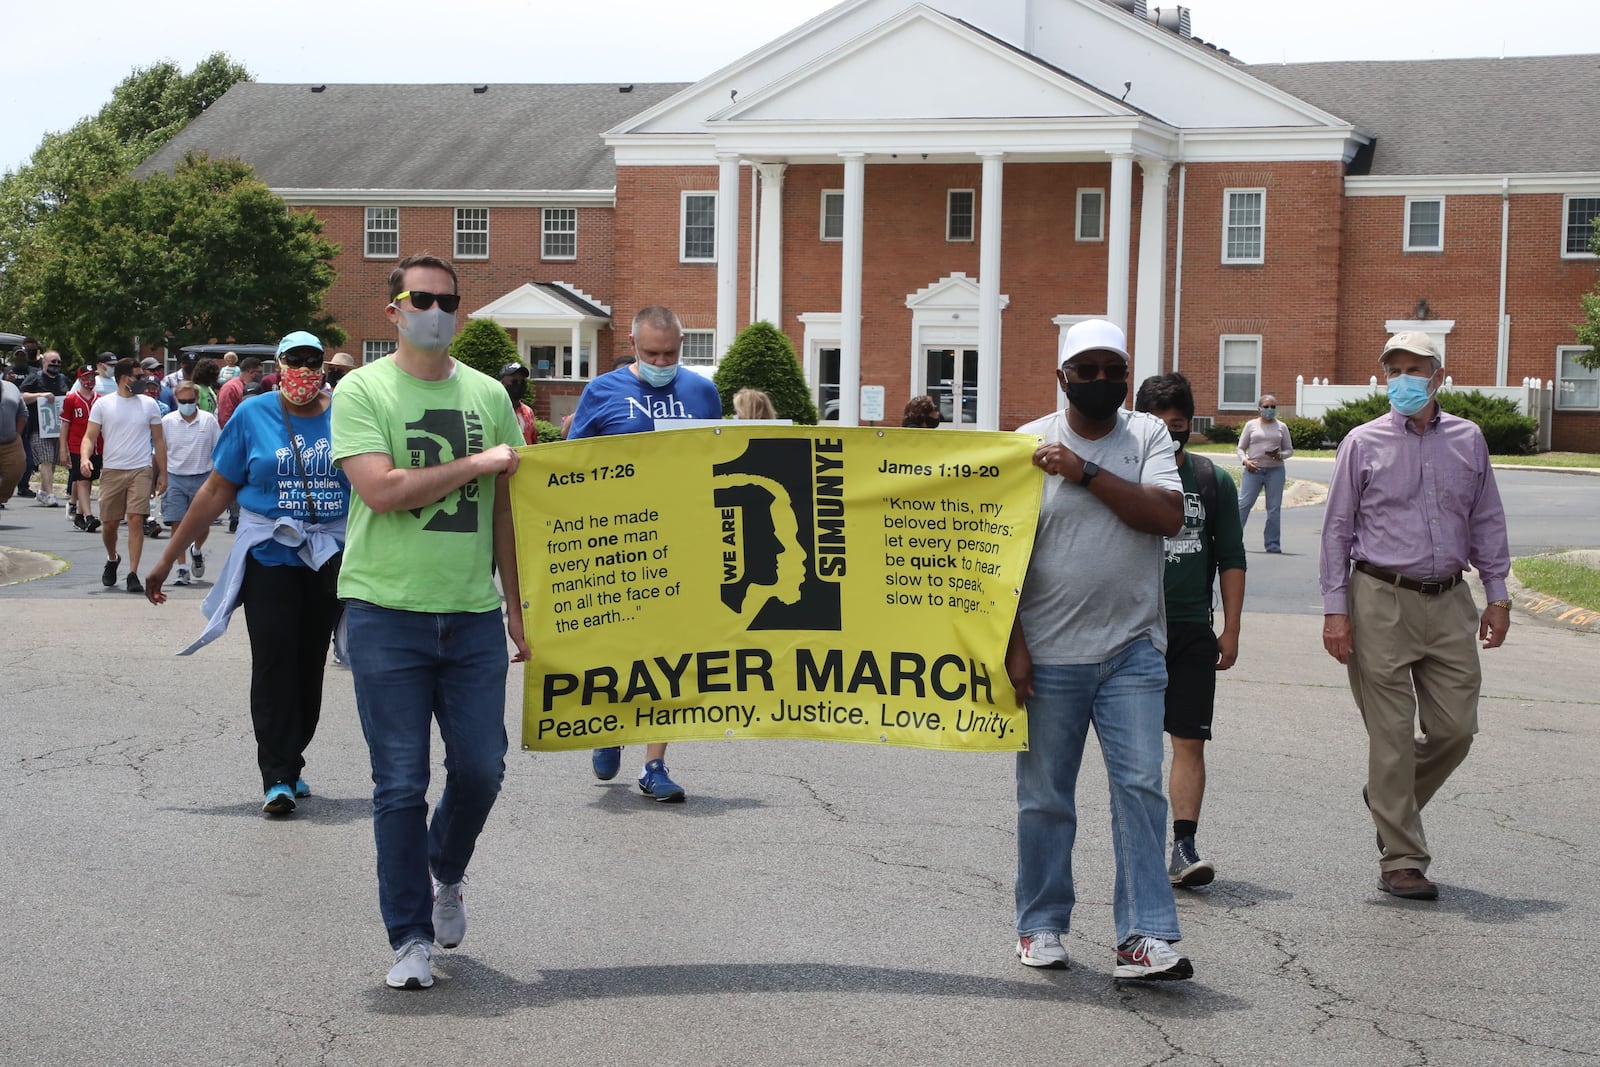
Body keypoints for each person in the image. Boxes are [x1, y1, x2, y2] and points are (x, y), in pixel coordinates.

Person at [331, 253, 527, 991]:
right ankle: (409, 936)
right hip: (386, 613)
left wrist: (516, 604)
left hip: (472, 616)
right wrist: (478, 463)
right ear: (394, 310)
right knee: (400, 782)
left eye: (448, 300)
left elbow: (508, 512)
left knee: (482, 767)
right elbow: (381, 491)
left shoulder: (489, 396)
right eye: (422, 299)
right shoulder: (362, 389)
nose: (436, 311)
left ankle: (447, 864)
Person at [1007, 318, 1191, 980]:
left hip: (1133, 649)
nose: (1100, 381)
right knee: (1046, 797)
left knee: (1140, 787)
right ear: (1062, 378)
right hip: (1050, 654)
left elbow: (1165, 516)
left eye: (1112, 368)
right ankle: (1042, 923)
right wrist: (1015, 644)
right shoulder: (1026, 445)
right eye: (1085, 370)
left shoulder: (1147, 434)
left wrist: (1085, 472)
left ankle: (1143, 935)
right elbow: (999, 560)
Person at [1319, 331, 1511, 902]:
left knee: (1455, 729)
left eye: (1416, 368)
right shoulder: (1362, 441)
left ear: (1439, 376)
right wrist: (1336, 612)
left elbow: (1487, 519)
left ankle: (1388, 795)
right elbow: (1336, 530)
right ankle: (1402, 857)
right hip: (1379, 596)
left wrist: (1497, 595)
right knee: (1392, 735)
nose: (1403, 378)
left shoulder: (1468, 439)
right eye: (1394, 368)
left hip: (1451, 599)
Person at [146, 331, 348, 816]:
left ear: (323, 365)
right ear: (277, 365)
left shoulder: (347, 413)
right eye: (293, 361)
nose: (303, 370)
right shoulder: (254, 415)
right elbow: (216, 490)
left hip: (330, 559)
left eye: (312, 360)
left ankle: (291, 758)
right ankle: (276, 775)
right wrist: (167, 558)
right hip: (270, 558)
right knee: (274, 661)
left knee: (308, 664)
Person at [569, 305, 724, 802]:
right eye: (653, 352)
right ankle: (610, 724)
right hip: (619, 544)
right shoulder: (603, 391)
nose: (663, 361)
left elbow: (718, 461)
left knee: (672, 654)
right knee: (617, 649)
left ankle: (655, 764)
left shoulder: (702, 392)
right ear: (633, 345)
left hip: (682, 541)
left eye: (672, 352)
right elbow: (572, 465)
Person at [1134, 372, 1247, 888]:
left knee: (1189, 742)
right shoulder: (1122, 475)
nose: (1168, 434)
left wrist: (1231, 629)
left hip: (1191, 631)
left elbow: (1231, 558)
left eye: (1177, 425)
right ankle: (1136, 847)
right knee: (1135, 750)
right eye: (1158, 424)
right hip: (1131, 630)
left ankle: (1183, 846)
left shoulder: (1211, 479)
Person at [79, 358, 166, 593]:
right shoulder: (103, 404)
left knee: (136, 519)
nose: (143, 381)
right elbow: (89, 436)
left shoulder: (149, 405)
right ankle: (112, 557)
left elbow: (159, 441)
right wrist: (85, 458)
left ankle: (133, 573)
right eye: (138, 377)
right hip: (112, 470)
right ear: (125, 378)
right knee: (110, 524)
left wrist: (163, 474)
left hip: (140, 468)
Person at [158, 380, 221, 584]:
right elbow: (160, 452)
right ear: (176, 400)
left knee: (202, 525)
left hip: (202, 477)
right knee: (178, 524)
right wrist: (159, 477)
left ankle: (197, 549)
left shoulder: (208, 421)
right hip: (175, 476)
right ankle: (182, 568)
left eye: (191, 400)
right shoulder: (167, 421)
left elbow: (218, 450)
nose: (187, 404)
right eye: (182, 401)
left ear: (197, 400)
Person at [1235, 394, 1293, 553]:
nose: (1269, 410)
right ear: (1259, 408)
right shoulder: (1251, 425)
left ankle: (1273, 544)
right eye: (1266, 407)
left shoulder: (1281, 426)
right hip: (1253, 470)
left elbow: (1289, 450)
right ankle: (1233, 540)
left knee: (1274, 509)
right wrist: (1245, 461)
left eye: (1273, 407)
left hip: (1275, 471)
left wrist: (1280, 455)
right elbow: (1240, 448)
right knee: (1243, 505)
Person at [20, 350, 69, 507]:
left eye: (58, 362)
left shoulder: (63, 379)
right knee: (45, 459)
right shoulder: (35, 377)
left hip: (57, 426)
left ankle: (42, 492)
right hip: (38, 427)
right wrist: (40, 395)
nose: (55, 365)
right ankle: (50, 494)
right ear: (44, 362)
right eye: (52, 362)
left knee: (52, 462)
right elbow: (21, 396)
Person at [61, 368, 104, 531]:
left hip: (97, 446)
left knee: (90, 479)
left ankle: (79, 516)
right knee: (82, 480)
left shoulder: (100, 400)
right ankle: (89, 515)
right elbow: (65, 425)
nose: (90, 380)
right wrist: (63, 449)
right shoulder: (71, 399)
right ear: (80, 379)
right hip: (77, 445)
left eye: (93, 377)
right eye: (87, 377)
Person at [217, 356, 264, 427]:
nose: (262, 375)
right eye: (260, 372)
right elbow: (225, 417)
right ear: (251, 372)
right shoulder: (231, 387)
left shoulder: (256, 387)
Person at [0, 374, 23, 507]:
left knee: (15, 472)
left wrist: (17, 434)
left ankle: (1, 497)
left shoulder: (11, 388)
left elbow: (23, 412)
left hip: (9, 442)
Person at [500, 361, 537, 444]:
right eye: (514, 382)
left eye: (522, 382)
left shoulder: (528, 411)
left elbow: (533, 441)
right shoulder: (496, 410)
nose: (519, 385)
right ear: (503, 383)